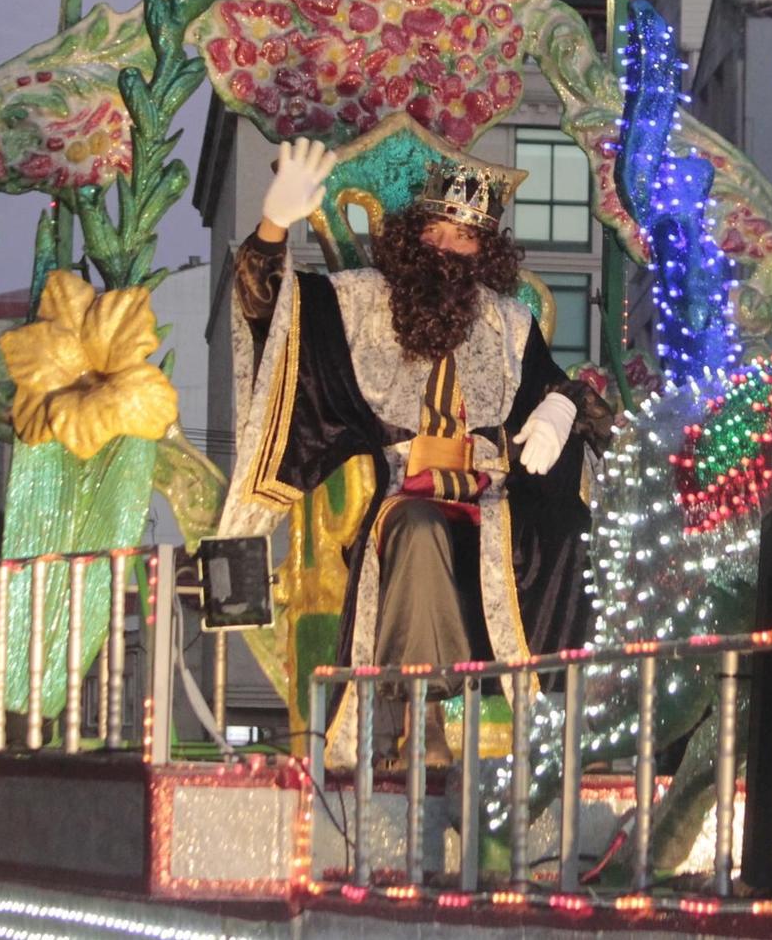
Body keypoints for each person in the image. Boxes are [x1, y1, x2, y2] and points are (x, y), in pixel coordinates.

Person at [217, 142, 608, 766]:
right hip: (401, 493)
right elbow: (269, 311)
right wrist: (274, 224)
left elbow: (567, 394)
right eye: (443, 232)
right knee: (421, 530)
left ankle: (559, 720)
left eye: (469, 238)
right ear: (416, 234)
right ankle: (422, 722)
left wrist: (563, 408)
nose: (453, 250)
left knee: (574, 532)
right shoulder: (357, 302)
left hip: (494, 504)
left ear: (487, 250)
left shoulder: (508, 324)